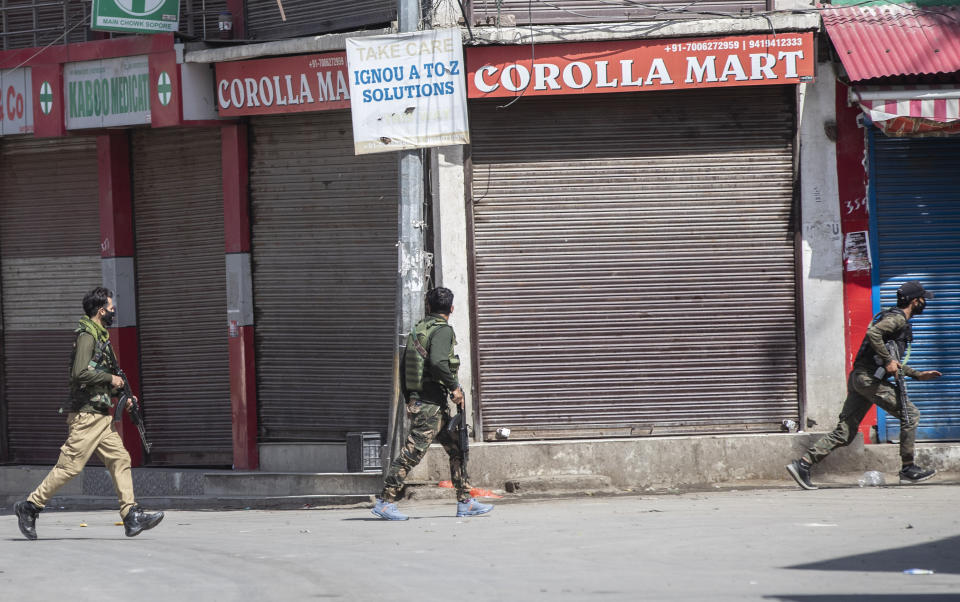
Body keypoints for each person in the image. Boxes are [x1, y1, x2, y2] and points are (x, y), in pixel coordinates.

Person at [14, 287, 164, 539]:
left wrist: (122, 397)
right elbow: (80, 373)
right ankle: (30, 506)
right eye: (111, 306)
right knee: (70, 467)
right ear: (101, 310)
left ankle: (131, 515)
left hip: (101, 416)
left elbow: (102, 379)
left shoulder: (100, 336)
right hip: (86, 415)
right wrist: (112, 379)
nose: (114, 310)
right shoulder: (87, 335)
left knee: (120, 459)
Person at [787, 280, 942, 490]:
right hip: (869, 380)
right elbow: (874, 334)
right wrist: (888, 361)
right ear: (915, 301)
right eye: (923, 299)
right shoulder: (896, 319)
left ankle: (803, 464)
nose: (925, 303)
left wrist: (917, 375)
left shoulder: (896, 320)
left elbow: (892, 362)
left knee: (845, 432)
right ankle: (908, 468)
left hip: (861, 379)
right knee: (911, 415)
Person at [372, 287, 493, 520]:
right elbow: (438, 363)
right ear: (451, 308)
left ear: (429, 306)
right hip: (431, 406)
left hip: (428, 402)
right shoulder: (442, 330)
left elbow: (406, 367)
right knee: (412, 454)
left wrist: (411, 398)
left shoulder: (419, 328)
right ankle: (385, 501)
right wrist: (454, 388)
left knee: (458, 449)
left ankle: (465, 500)